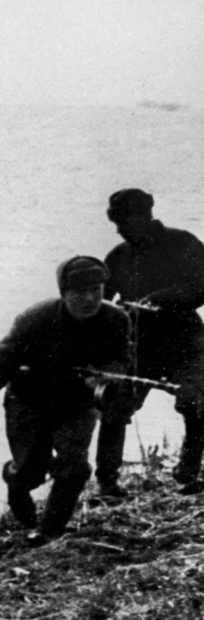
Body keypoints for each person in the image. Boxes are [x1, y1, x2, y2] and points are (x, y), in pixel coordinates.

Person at [0, 256, 131, 540]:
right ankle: (15, 483)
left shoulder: (116, 319)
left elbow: (124, 358)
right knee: (30, 471)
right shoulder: (35, 320)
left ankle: (49, 531)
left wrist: (108, 375)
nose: (89, 299)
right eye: (79, 292)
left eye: (97, 290)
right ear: (63, 293)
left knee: (74, 466)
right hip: (29, 401)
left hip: (77, 404)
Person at [94, 188, 204, 497]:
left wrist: (163, 298)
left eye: (123, 222)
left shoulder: (184, 243)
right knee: (114, 404)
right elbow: (101, 303)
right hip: (137, 344)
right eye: (116, 223)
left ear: (144, 216)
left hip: (185, 341)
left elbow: (201, 286)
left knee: (194, 402)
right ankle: (107, 483)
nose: (118, 229)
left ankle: (188, 474)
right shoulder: (117, 257)